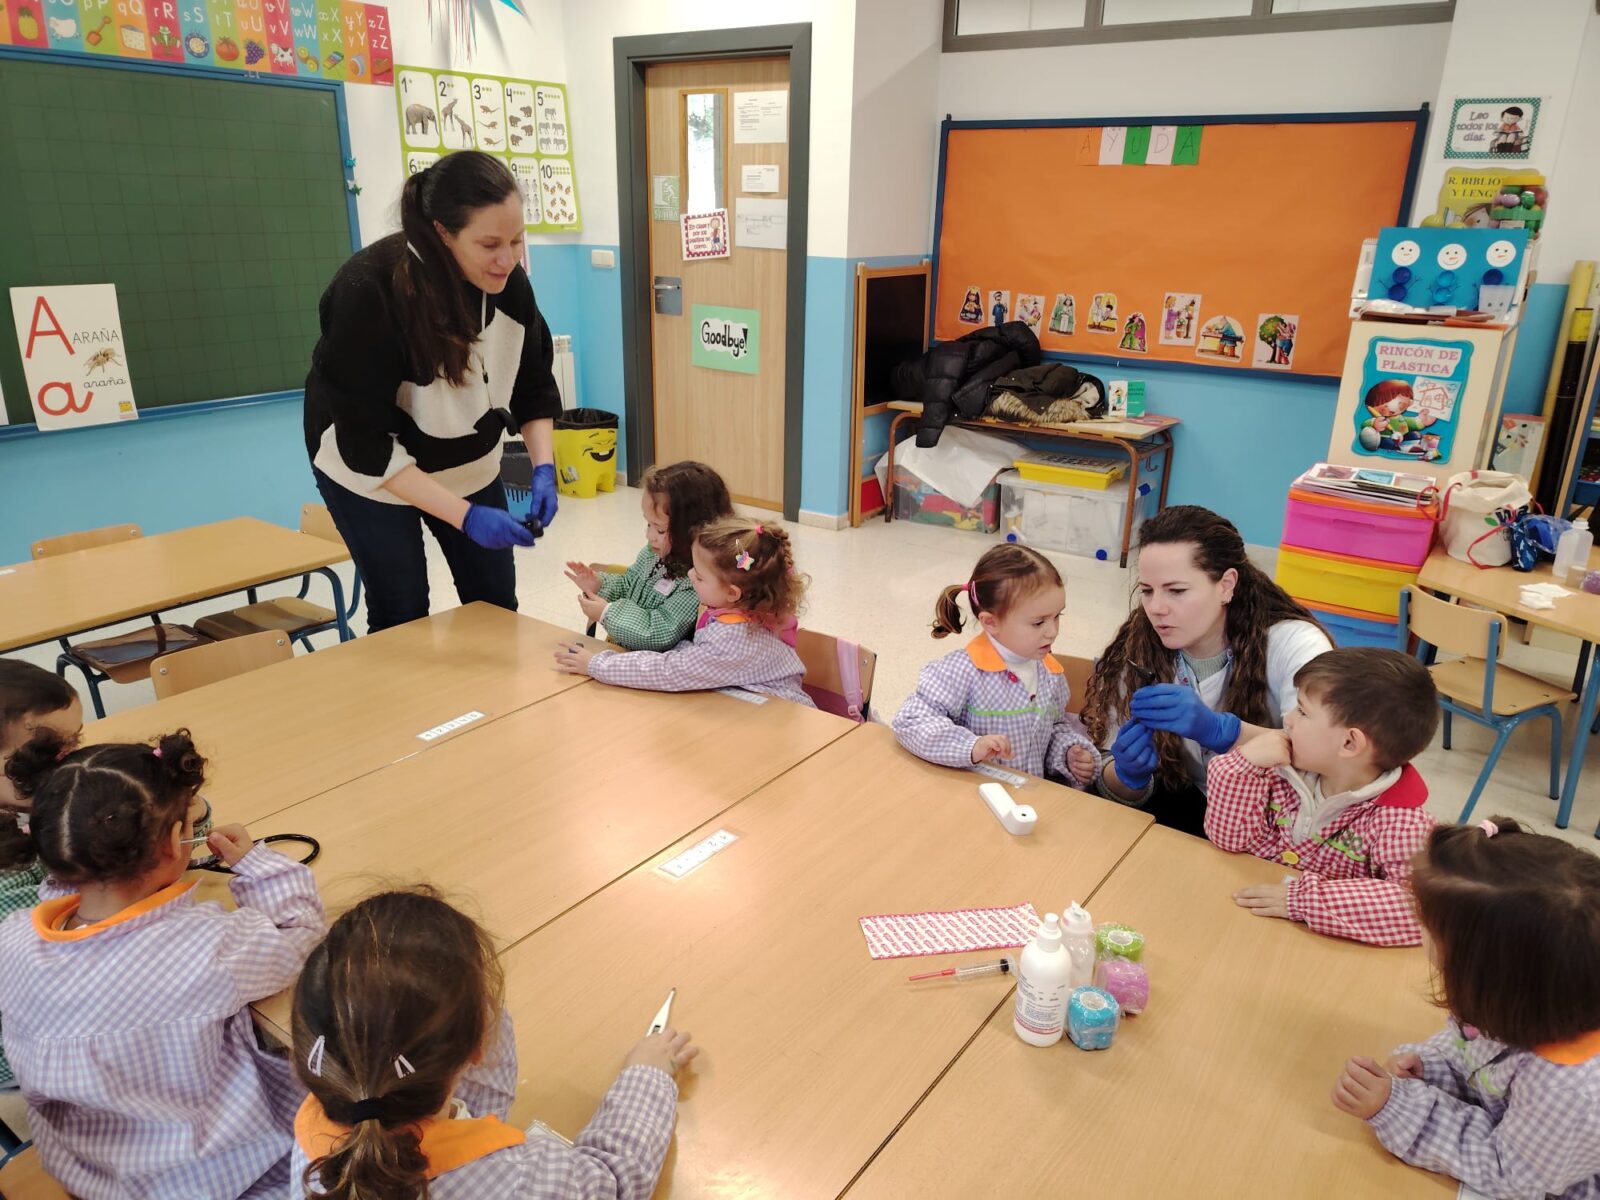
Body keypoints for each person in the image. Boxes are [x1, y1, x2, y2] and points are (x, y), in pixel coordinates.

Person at [0, 729, 323, 1199]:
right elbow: (299, 934)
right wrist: (257, 866)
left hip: (85, 1169)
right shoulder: (209, 948)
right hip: (210, 1179)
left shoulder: (12, 937)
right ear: (176, 843)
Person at [291, 888, 695, 1199]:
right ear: (480, 1046)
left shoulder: (312, 1135)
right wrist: (647, 1077)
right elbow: (616, 1183)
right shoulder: (526, 1180)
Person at [304, 150, 563, 634]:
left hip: (468, 463)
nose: (508, 259)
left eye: (516, 240)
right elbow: (366, 447)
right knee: (402, 613)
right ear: (442, 232)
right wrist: (466, 517)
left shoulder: (510, 285)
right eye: (489, 244)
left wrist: (543, 466)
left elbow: (533, 383)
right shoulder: (368, 291)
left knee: (494, 604)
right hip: (373, 477)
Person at [1332, 818, 1600, 1197]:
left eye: (1431, 929)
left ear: (1488, 978)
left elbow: (1510, 1174)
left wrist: (1400, 1108)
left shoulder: (1569, 1090)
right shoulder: (1533, 999)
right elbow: (1474, 1051)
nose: (1419, 929)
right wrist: (1432, 1066)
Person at [1081, 505, 1332, 836]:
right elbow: (1112, 781)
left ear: (1226, 585)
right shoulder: (1139, 645)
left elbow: (1329, 759)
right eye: (1147, 590)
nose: (1156, 608)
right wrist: (1128, 776)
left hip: (1277, 823)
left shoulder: (1295, 644)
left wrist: (1225, 732)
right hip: (1191, 812)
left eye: (1177, 591)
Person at [1203, 648, 1438, 946]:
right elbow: (1231, 840)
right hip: (1248, 928)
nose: (1287, 719)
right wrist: (1240, 768)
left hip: (1321, 951)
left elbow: (1420, 909)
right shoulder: (1279, 770)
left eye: (1302, 711)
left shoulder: (1404, 824)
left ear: (1349, 743)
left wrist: (1302, 901)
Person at [892, 545, 1098, 787]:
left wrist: (1067, 752)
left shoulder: (1050, 673)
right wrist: (970, 746)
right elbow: (911, 720)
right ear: (990, 622)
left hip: (1026, 798)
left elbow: (1053, 727)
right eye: (1038, 622)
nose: (1052, 632)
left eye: (1057, 617)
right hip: (970, 795)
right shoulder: (962, 671)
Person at [554, 517, 813, 707]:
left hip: (774, 714)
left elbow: (668, 672)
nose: (689, 575)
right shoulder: (747, 608)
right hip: (751, 708)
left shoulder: (734, 637)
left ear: (733, 593)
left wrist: (596, 665)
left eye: (699, 576)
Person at [563, 461, 733, 651]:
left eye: (660, 529)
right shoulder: (653, 553)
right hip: (622, 652)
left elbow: (659, 633)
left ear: (692, 531)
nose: (649, 535)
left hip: (650, 663)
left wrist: (607, 613)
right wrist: (599, 584)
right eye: (648, 524)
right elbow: (628, 584)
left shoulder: (698, 581)